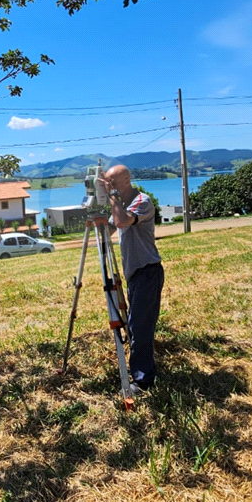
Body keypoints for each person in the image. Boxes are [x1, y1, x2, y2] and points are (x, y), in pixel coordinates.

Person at [99, 164, 164, 391]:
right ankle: (141, 368)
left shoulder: (142, 202)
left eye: (112, 183)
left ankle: (143, 380)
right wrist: (94, 215)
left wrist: (113, 198)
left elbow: (121, 221)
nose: (109, 188)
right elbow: (107, 230)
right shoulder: (121, 204)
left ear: (126, 181)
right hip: (135, 274)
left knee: (140, 326)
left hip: (147, 271)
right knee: (136, 324)